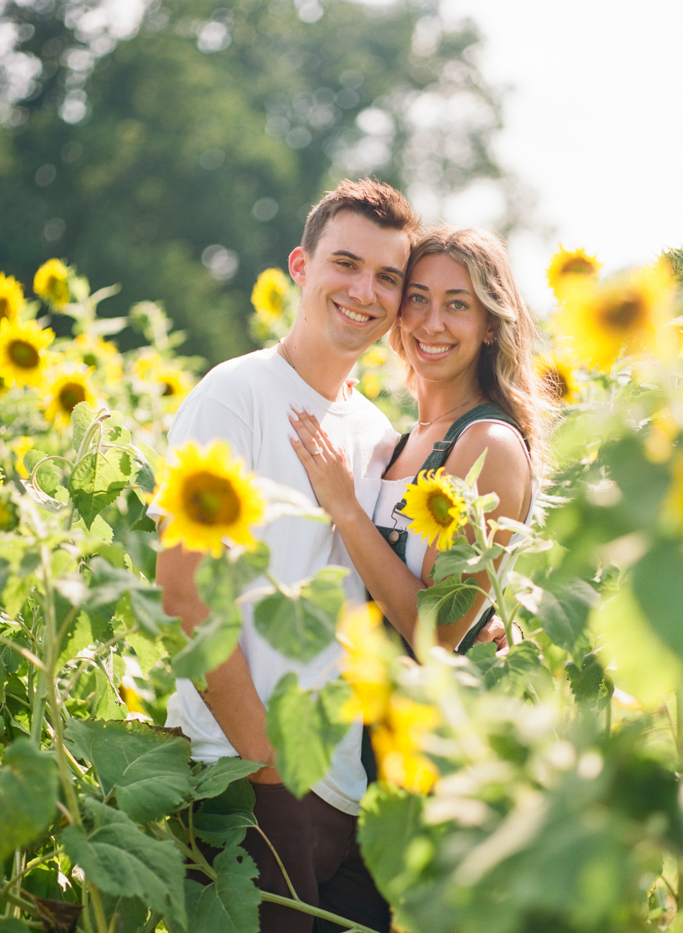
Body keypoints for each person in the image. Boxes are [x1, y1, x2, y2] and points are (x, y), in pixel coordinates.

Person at [155, 185, 510, 933]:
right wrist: (267, 765)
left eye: (389, 278)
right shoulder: (236, 393)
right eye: (345, 264)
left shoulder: (374, 430)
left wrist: (481, 631)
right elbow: (185, 595)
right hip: (251, 777)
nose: (366, 292)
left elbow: (389, 590)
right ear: (300, 266)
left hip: (348, 787)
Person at [290, 225, 549, 655]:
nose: (433, 324)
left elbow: (441, 634)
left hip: (440, 717)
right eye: (418, 299)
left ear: (489, 325)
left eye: (458, 305)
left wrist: (348, 511)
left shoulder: (489, 443)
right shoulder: (401, 442)